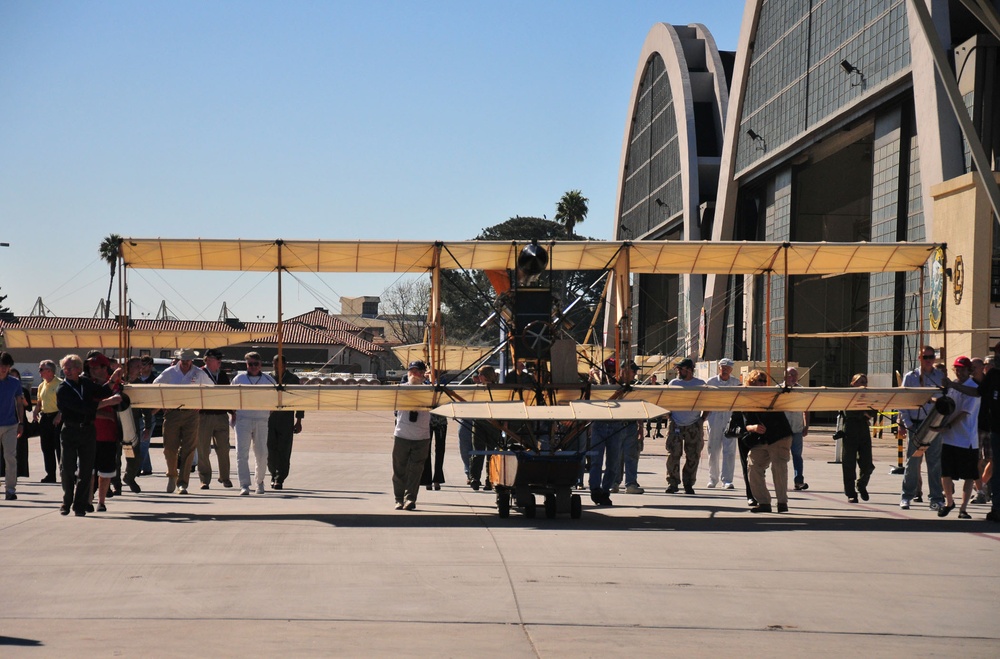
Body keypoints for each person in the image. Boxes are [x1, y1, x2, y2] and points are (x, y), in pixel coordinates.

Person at [55, 354, 119, 516]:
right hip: (70, 431)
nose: (67, 371)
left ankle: (80, 504)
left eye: (70, 368)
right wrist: (108, 402)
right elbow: (83, 408)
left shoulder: (86, 383)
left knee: (86, 470)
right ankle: (66, 501)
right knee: (67, 469)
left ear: (78, 369)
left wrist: (113, 379)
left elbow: (103, 391)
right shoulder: (62, 389)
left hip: (88, 430)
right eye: (65, 368)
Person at [153, 348, 214, 494]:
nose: (186, 362)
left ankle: (183, 483)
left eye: (188, 359)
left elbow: (211, 389)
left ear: (192, 360)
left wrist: (201, 404)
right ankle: (172, 475)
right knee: (169, 447)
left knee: (189, 448)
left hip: (192, 414)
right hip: (172, 413)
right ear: (179, 359)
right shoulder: (170, 372)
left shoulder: (199, 373)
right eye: (183, 359)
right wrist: (164, 404)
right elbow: (156, 386)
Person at [898, 345, 946, 511]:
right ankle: (907, 496)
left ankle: (936, 498)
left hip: (933, 424)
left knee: (934, 463)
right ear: (920, 358)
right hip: (916, 424)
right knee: (913, 463)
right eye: (925, 357)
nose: (928, 360)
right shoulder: (910, 377)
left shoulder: (939, 377)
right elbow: (903, 402)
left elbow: (943, 400)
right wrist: (907, 424)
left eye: (931, 357)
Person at [740, 368, 793, 513]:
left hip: (779, 436)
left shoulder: (773, 394)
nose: (763, 383)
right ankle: (763, 502)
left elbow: (786, 400)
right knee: (753, 465)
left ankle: (782, 502)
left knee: (779, 467)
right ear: (751, 382)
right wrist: (753, 427)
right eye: (759, 381)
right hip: (761, 439)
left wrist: (785, 392)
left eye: (764, 381)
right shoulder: (744, 399)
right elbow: (743, 423)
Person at [936, 356, 981, 518]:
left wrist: (947, 425)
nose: (959, 372)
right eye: (957, 368)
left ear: (969, 370)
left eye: (962, 369)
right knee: (945, 473)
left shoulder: (973, 388)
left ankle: (963, 507)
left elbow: (963, 413)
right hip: (949, 439)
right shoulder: (951, 387)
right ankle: (949, 501)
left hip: (967, 439)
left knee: (969, 476)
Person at [231, 352, 277, 495]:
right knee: (241, 454)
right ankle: (244, 484)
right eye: (250, 364)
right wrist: (233, 414)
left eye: (255, 364)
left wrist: (267, 413)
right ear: (246, 365)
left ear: (260, 365)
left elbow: (276, 399)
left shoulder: (268, 380)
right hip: (243, 419)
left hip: (261, 420)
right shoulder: (239, 378)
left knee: (262, 454)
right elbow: (230, 397)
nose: (253, 367)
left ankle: (260, 482)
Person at [86, 354, 125, 512]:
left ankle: (101, 501)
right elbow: (87, 409)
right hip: (90, 433)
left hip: (110, 434)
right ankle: (88, 500)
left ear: (104, 368)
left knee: (106, 471)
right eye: (91, 367)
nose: (92, 370)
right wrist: (105, 413)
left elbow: (123, 408)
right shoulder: (88, 384)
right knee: (89, 470)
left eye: (96, 367)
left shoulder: (118, 385)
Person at [392, 360, 432, 510]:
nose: (414, 374)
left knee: (416, 471)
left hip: (422, 437)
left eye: (417, 372)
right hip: (402, 435)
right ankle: (398, 499)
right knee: (399, 469)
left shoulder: (430, 390)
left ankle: (410, 499)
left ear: (423, 374)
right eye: (412, 371)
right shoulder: (400, 389)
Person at [664, 358, 706, 494]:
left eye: (681, 369)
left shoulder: (700, 384)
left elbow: (709, 402)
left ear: (688, 369)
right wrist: (669, 416)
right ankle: (672, 482)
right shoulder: (674, 383)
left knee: (693, 455)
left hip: (693, 424)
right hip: (676, 422)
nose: (678, 371)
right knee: (673, 454)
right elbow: (666, 400)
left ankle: (688, 483)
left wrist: (702, 419)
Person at [197, 348, 233, 489]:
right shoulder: (199, 373)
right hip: (204, 416)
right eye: (217, 358)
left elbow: (227, 394)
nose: (220, 361)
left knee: (224, 448)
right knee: (203, 449)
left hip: (221, 416)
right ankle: (204, 479)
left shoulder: (223, 375)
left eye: (220, 358)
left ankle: (225, 477)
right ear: (207, 360)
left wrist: (232, 411)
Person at [267, 354, 303, 490]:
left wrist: (299, 420)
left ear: (285, 365)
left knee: (284, 449)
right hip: (269, 418)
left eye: (279, 364)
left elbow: (300, 401)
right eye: (274, 364)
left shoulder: (293, 379)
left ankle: (280, 478)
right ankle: (272, 474)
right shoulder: (268, 378)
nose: (276, 367)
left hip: (286, 419)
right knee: (270, 449)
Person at [705, 358, 742, 489]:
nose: (725, 369)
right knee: (713, 449)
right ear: (719, 368)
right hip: (714, 416)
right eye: (723, 367)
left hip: (729, 417)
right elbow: (706, 400)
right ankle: (712, 478)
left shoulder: (736, 382)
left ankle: (727, 480)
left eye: (728, 367)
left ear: (731, 369)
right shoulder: (711, 382)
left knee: (730, 450)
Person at [840, 374, 875, 503]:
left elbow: (873, 412)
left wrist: (865, 413)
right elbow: (849, 412)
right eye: (860, 382)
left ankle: (862, 484)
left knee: (868, 464)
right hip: (850, 430)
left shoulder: (869, 397)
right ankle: (851, 493)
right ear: (852, 383)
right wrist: (863, 413)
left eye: (865, 382)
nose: (863, 384)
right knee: (849, 464)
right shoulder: (848, 397)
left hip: (864, 431)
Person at [468, 365, 501, 491]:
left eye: (480, 374)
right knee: (478, 451)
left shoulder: (497, 389)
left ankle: (490, 479)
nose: (479, 377)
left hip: (493, 423)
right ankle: (475, 478)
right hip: (479, 422)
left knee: (491, 453)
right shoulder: (478, 389)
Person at [0, 352, 26, 501]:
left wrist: (21, 422)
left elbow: (19, 403)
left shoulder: (15, 382)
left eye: (6, 366)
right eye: (1, 365)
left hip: (10, 424)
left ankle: (10, 489)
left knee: (10, 457)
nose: (3, 368)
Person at [32, 359, 62, 483]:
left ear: (49, 371)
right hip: (45, 417)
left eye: (41, 369)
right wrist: (35, 411)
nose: (39, 371)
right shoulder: (42, 385)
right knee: (46, 447)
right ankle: (50, 474)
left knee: (59, 447)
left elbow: (65, 403)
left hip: (57, 417)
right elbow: (39, 402)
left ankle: (65, 473)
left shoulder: (60, 384)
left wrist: (59, 415)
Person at [781, 367, 810, 490]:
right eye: (790, 375)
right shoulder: (778, 389)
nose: (792, 378)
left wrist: (806, 425)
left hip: (797, 428)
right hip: (782, 429)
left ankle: (798, 480)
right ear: (784, 377)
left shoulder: (802, 390)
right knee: (781, 456)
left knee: (797, 455)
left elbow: (807, 409)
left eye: (795, 375)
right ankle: (780, 480)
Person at [3, 368, 32, 481]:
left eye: (16, 377)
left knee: (16, 451)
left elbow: (27, 407)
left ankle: (17, 475)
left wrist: (23, 400)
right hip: (6, 420)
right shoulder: (6, 388)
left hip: (17, 422)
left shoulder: (22, 389)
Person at [134, 355, 157, 475]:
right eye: (140, 364)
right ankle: (147, 468)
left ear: (151, 366)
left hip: (149, 415)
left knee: (144, 443)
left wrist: (151, 414)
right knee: (140, 442)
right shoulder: (135, 378)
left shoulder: (155, 380)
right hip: (136, 414)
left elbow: (159, 402)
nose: (142, 367)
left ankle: (137, 468)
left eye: (145, 364)